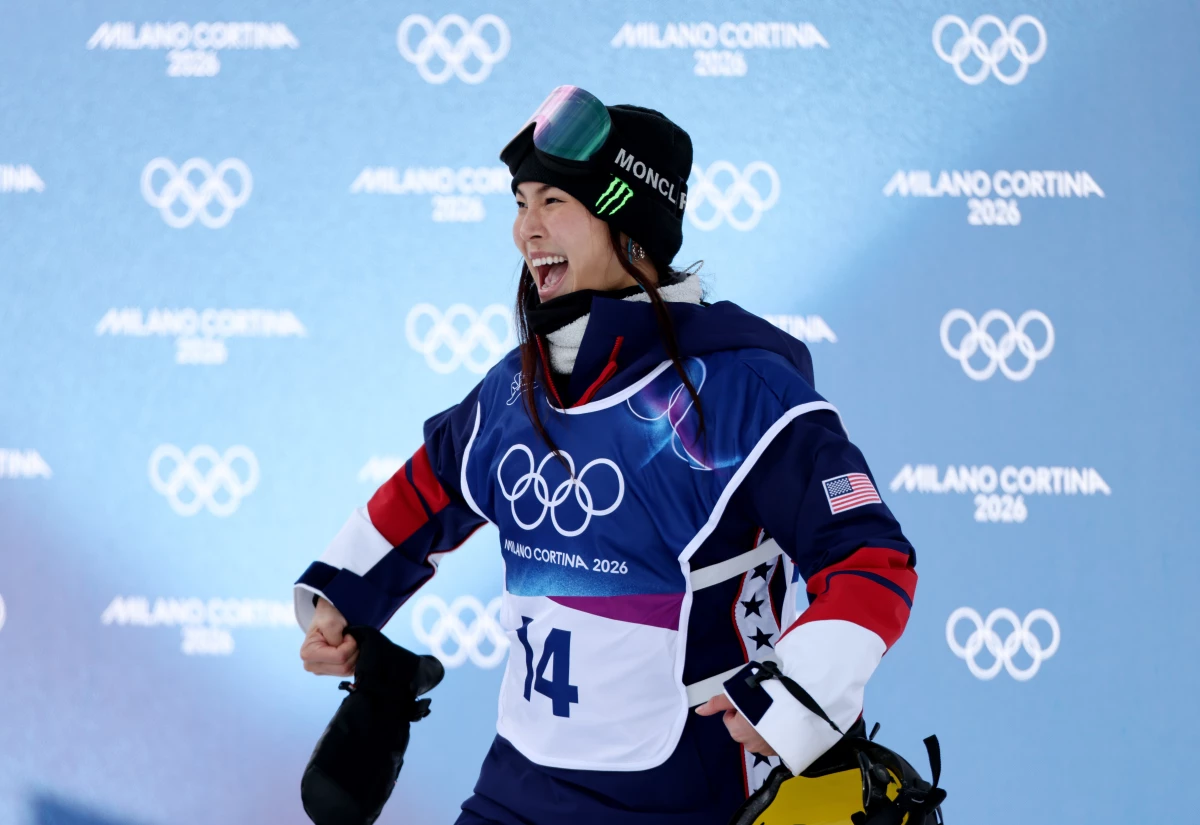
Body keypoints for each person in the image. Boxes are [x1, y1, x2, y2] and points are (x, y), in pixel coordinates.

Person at [295, 86, 918, 825]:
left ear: (630, 225)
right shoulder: (516, 388)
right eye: (520, 202)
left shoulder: (745, 389)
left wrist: (794, 698)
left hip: (686, 797)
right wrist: (340, 600)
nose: (527, 230)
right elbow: (430, 487)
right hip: (516, 790)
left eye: (553, 201)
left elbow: (871, 560)